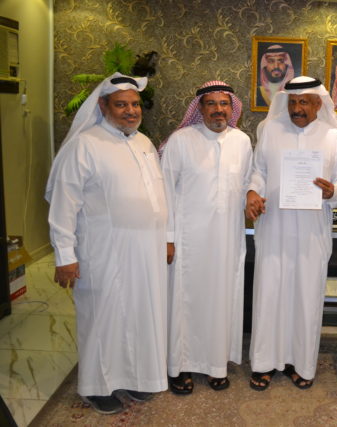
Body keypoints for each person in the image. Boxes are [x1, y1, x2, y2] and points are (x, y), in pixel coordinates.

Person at [45, 72, 168, 414]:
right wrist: (65, 255)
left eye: (135, 104)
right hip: (103, 251)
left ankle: (135, 377)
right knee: (104, 319)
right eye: (121, 105)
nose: (131, 111)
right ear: (103, 106)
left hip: (145, 252)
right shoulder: (85, 145)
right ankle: (97, 387)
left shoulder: (144, 143)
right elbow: (63, 205)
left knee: (139, 315)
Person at [245, 76, 337, 391]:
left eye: (304, 102)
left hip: (311, 232)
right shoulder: (270, 130)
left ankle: (300, 364)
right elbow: (259, 171)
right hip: (274, 227)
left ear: (319, 103)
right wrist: (252, 192)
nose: (297, 108)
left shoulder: (335, 137)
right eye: (292, 102)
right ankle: (265, 363)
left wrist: (332, 191)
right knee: (270, 293)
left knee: (306, 295)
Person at [160, 81, 253, 395]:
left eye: (224, 104)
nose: (218, 110)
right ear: (199, 108)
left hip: (227, 241)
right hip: (189, 242)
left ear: (232, 107)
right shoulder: (181, 141)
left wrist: (253, 197)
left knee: (221, 301)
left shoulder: (242, 141)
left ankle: (215, 365)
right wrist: (168, 237)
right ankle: (180, 367)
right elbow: (164, 191)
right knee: (186, 302)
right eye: (211, 104)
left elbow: (247, 185)